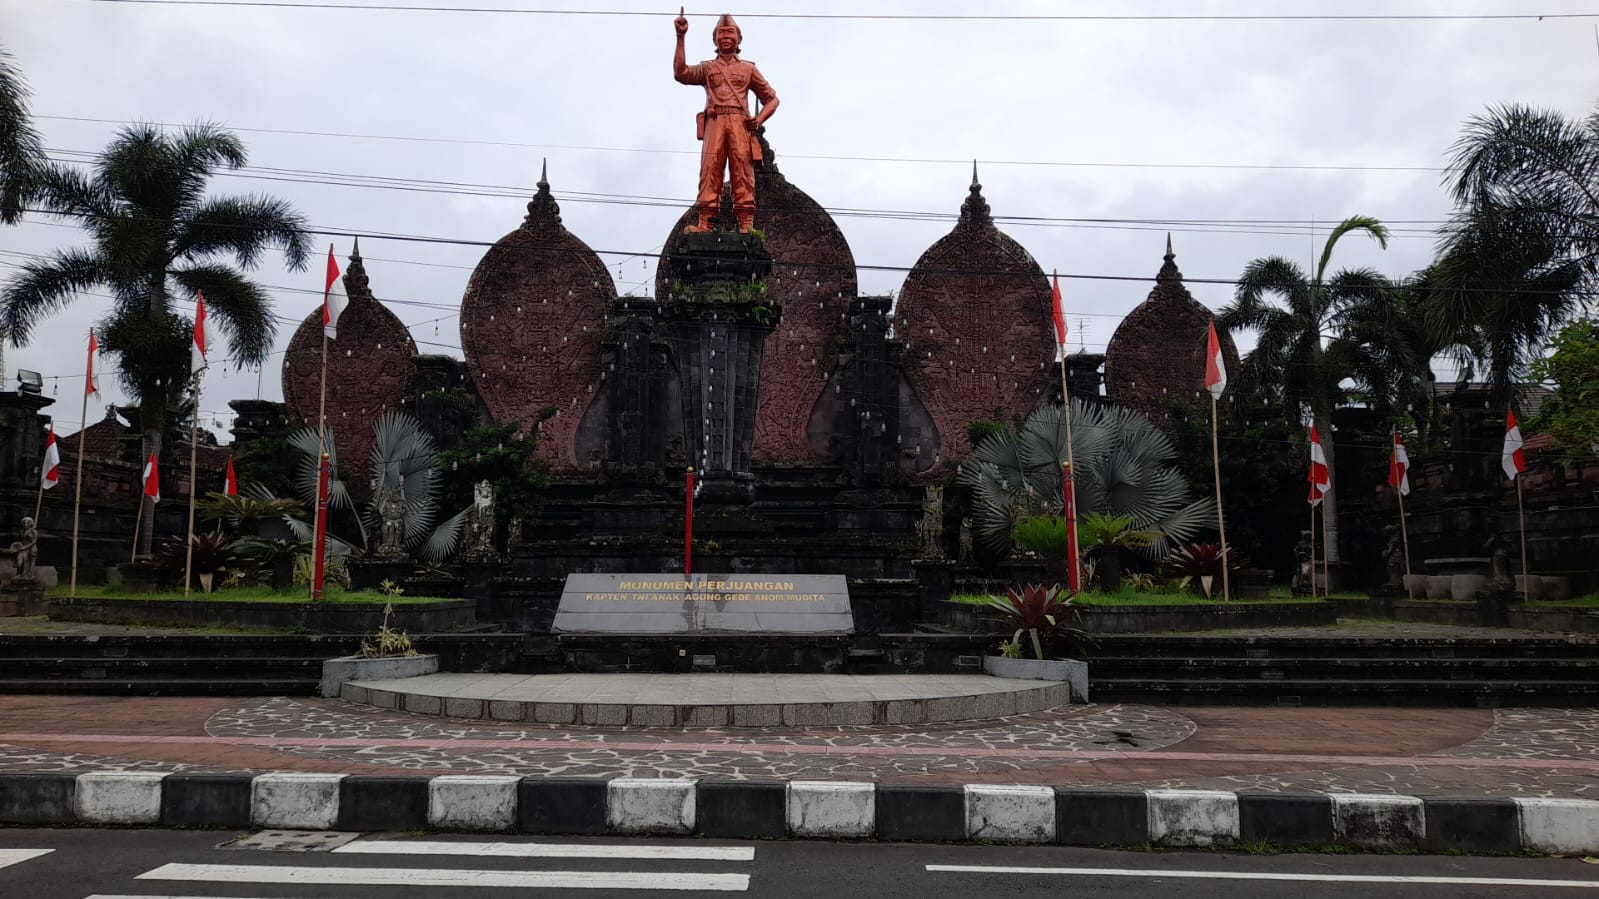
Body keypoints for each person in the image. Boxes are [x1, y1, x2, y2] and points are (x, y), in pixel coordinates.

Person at [673, 10, 779, 234]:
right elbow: (681, 73)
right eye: (721, 32)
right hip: (715, 120)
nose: (726, 36)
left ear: (739, 38)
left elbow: (772, 99)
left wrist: (758, 120)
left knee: (742, 170)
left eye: (730, 32)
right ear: (715, 39)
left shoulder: (748, 69)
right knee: (710, 169)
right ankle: (706, 223)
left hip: (740, 123)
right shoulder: (708, 68)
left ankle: (746, 225)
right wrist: (680, 37)